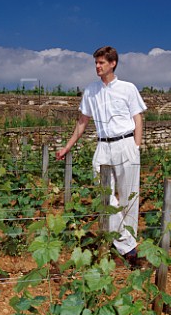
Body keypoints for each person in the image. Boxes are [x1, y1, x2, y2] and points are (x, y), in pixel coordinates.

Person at [56, 46, 147, 266]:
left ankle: (127, 245)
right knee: (106, 196)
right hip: (103, 147)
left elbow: (138, 118)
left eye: (101, 63)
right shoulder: (91, 91)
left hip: (126, 144)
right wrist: (67, 146)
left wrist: (136, 146)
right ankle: (128, 246)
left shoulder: (127, 88)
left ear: (113, 63)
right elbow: (82, 122)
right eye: (96, 63)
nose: (97, 67)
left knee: (129, 197)